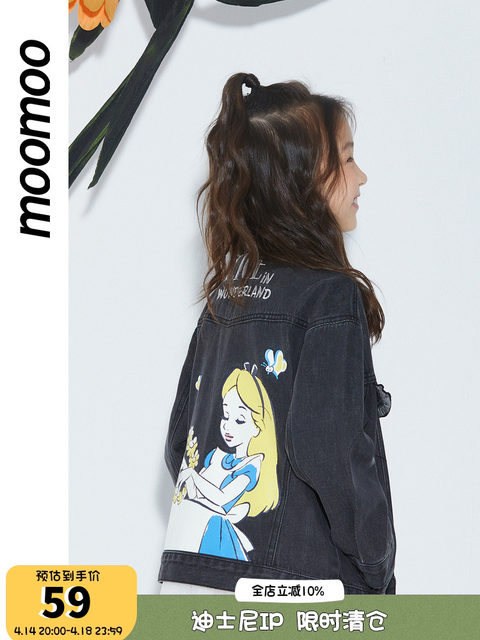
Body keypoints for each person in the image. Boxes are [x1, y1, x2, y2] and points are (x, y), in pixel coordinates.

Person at [159, 72, 396, 595]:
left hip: (187, 579)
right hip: (291, 592)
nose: (361, 177)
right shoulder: (329, 296)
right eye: (347, 159)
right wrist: (376, 562)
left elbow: (181, 445)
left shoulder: (226, 297)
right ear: (302, 179)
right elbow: (328, 447)